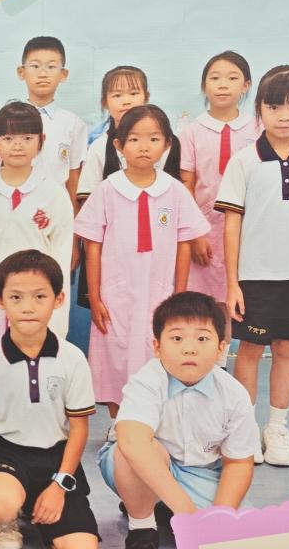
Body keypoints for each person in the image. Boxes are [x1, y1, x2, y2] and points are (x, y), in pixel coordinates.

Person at [98, 293, 258, 549]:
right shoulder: (147, 382)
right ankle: (142, 528)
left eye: (202, 338)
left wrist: (220, 518)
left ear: (221, 348)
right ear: (157, 347)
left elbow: (238, 462)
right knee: (130, 450)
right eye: (177, 338)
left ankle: (160, 505)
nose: (189, 349)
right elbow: (132, 443)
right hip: (143, 466)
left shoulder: (234, 395)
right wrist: (188, 515)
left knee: (245, 535)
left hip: (200, 473)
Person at [0, 250, 100, 549]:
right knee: (1, 505)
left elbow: (79, 428)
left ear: (59, 299)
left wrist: (59, 487)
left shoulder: (72, 358)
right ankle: (7, 515)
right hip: (6, 453)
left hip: (57, 459)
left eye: (40, 296)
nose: (27, 307)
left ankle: (39, 506)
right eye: (16, 297)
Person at [75, 105, 209, 420]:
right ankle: (117, 422)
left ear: (167, 144)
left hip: (159, 292)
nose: (144, 146)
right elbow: (92, 247)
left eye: (153, 139)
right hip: (115, 294)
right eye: (134, 139)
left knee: (157, 351)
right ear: (119, 145)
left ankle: (153, 420)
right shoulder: (107, 190)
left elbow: (184, 244)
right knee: (114, 353)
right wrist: (95, 297)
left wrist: (179, 295)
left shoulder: (174, 191)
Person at [217, 66, 289, 467]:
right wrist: (233, 283)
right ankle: (245, 429)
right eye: (274, 106)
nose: (285, 115)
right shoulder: (245, 160)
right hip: (255, 277)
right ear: (259, 109)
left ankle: (276, 428)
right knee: (249, 350)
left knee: (287, 350)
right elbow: (232, 224)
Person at [0, 103, 75, 347]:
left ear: (42, 140)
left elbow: (61, 257)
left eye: (27, 138)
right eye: (8, 138)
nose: (18, 145)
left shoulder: (54, 193)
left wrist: (57, 320)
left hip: (38, 303)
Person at [179, 52, 258, 314]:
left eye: (232, 78)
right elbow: (187, 184)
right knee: (205, 307)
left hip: (247, 230)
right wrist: (196, 234)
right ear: (204, 85)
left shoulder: (258, 129)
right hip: (205, 232)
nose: (223, 85)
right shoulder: (191, 131)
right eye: (215, 78)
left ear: (246, 85)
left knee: (240, 305)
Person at [75, 66, 179, 204]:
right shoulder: (98, 147)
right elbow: (87, 197)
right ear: (104, 102)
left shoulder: (166, 142)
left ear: (146, 97)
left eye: (134, 93)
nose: (126, 101)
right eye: (117, 95)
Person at [17, 36, 87, 207]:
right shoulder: (7, 120)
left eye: (51, 67)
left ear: (63, 74)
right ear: (21, 72)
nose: (43, 73)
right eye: (35, 66)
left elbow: (73, 178)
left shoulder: (73, 124)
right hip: (16, 210)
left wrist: (74, 219)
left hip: (58, 210)